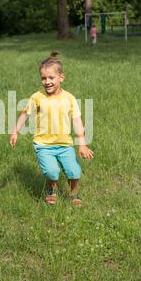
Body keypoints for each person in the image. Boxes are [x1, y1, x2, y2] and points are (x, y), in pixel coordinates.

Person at [10, 52, 94, 206]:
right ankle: (51, 189)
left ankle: (74, 193)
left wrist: (82, 144)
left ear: (61, 77)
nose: (47, 82)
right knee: (51, 172)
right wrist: (15, 131)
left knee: (74, 171)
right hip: (43, 145)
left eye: (51, 78)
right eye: (43, 78)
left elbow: (77, 121)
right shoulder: (37, 97)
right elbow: (25, 114)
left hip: (65, 144)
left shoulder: (69, 98)